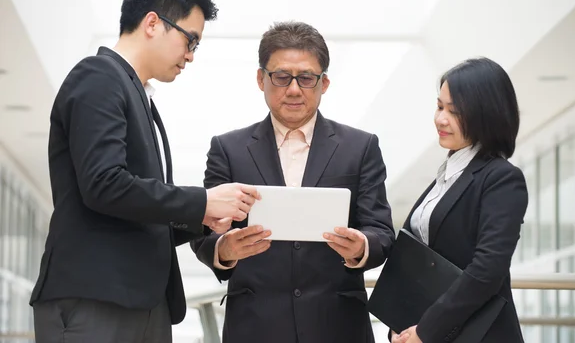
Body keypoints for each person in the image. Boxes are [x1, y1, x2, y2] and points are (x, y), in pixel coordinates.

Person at [30, 0, 260, 343]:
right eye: (190, 40)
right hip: (97, 299)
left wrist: (205, 219)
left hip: (140, 303)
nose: (190, 56)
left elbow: (137, 209)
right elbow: (104, 185)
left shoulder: (136, 94)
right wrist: (202, 201)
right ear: (153, 23)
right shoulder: (99, 76)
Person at [191, 21, 395, 343]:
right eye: (282, 77)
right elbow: (204, 234)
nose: (294, 89)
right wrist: (225, 249)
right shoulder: (227, 149)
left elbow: (382, 231)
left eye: (306, 78)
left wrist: (361, 248)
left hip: (338, 326)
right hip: (255, 326)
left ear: (324, 82)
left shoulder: (361, 147)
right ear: (261, 79)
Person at [392, 57, 527, 343]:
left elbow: (487, 270)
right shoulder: (445, 177)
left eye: (454, 111)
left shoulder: (501, 178)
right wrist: (401, 321)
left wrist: (426, 330)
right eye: (440, 106)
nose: (440, 119)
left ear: (484, 114)